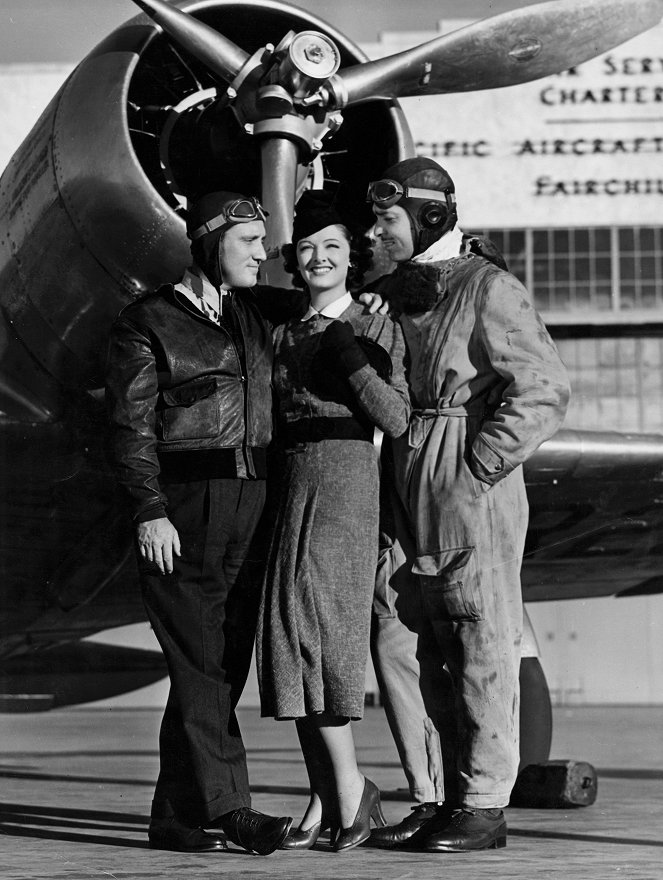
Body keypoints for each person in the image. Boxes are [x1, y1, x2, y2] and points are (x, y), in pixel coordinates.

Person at [365, 158, 571, 852]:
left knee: (479, 638)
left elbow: (542, 389)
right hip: (401, 469)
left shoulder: (488, 288)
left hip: (463, 475)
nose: (376, 231)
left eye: (387, 219)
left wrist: (474, 468)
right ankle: (436, 795)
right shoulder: (392, 292)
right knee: (408, 639)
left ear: (426, 218)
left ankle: (482, 804)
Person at [105, 191, 293, 855]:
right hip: (184, 507)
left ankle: (173, 816)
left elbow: (329, 310)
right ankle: (230, 810)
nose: (260, 254)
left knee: (216, 668)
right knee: (200, 665)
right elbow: (129, 425)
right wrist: (150, 509)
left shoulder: (254, 315)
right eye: (248, 242)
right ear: (212, 241)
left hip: (255, 500)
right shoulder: (146, 321)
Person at [256, 191, 411, 853]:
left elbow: (395, 417)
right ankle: (326, 793)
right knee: (290, 632)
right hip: (290, 480)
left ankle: (352, 794)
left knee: (322, 634)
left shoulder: (373, 325)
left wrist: (347, 354)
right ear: (294, 260)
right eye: (308, 248)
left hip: (346, 480)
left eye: (333, 248)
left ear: (351, 260)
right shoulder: (284, 330)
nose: (318, 257)